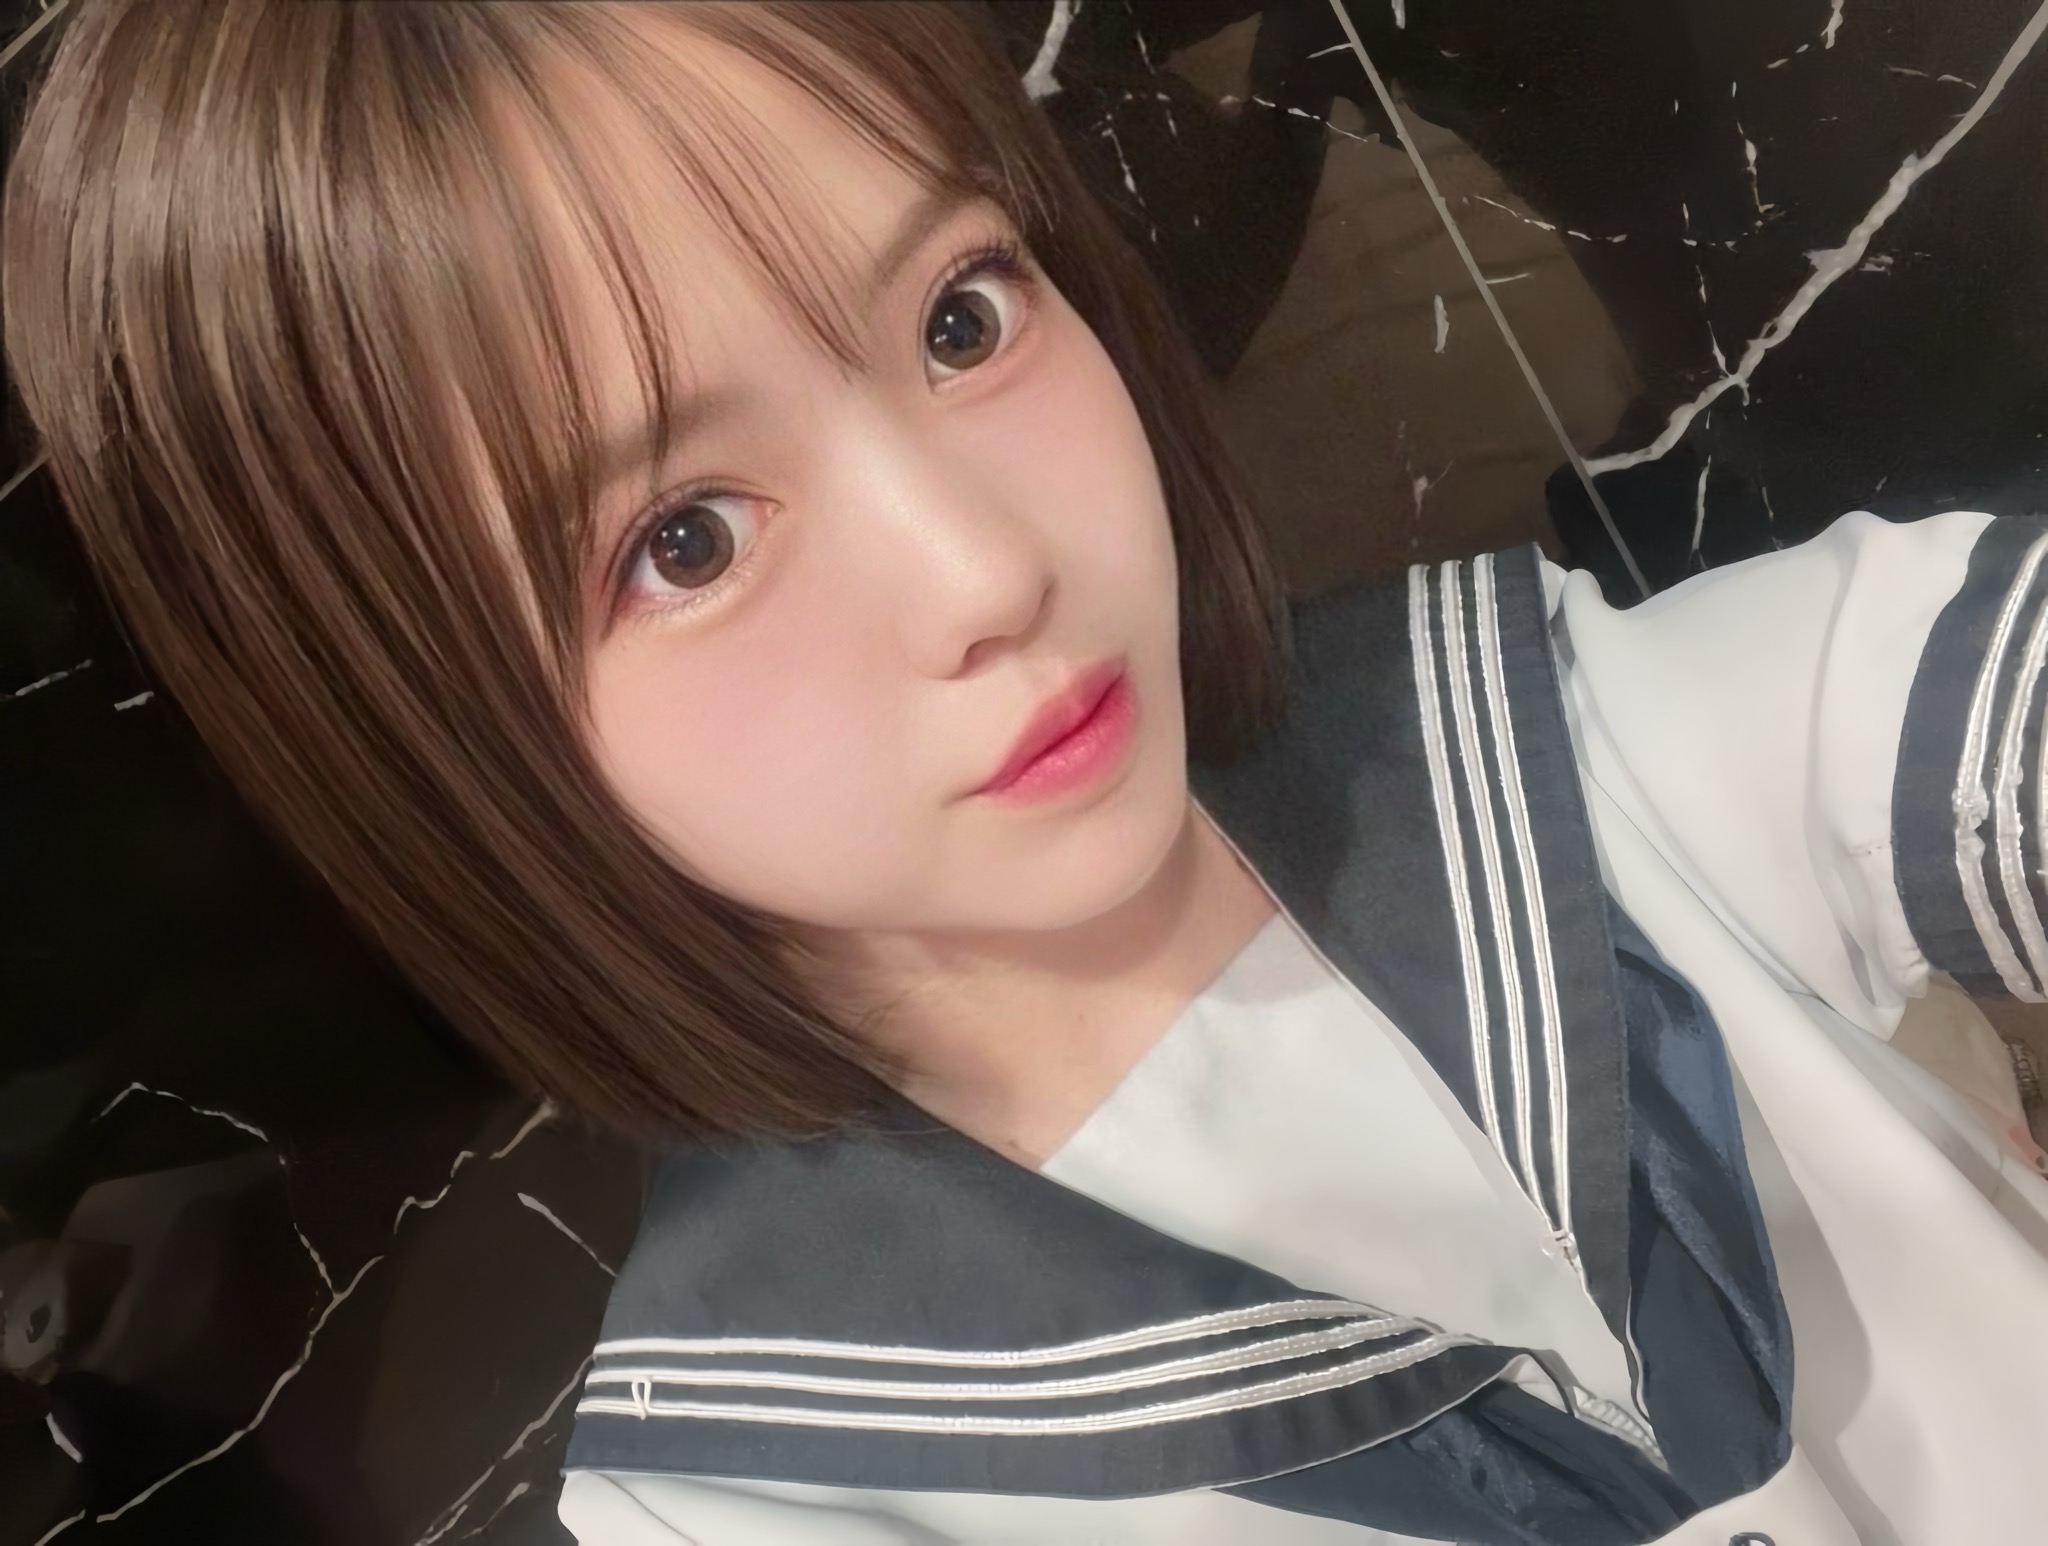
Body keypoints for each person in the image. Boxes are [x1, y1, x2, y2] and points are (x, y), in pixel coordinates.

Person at [8, 4, 2048, 1542]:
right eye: (686, 539)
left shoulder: (1580, 739)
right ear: (434, 730)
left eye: (964, 318)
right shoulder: (754, 1488)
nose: (986, 570)